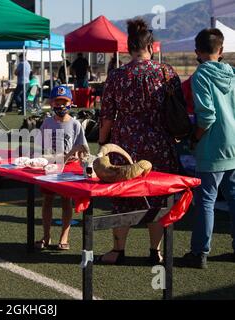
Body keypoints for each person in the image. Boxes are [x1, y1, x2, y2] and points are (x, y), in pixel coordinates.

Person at [98, 19, 184, 265]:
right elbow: (177, 109)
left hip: (125, 144)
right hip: (160, 143)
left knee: (123, 196)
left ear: (128, 48)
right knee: (159, 197)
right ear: (151, 48)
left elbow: (107, 117)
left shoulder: (116, 76)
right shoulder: (166, 72)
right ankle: (155, 252)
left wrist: (103, 142)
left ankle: (117, 250)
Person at [183, 28, 235, 269]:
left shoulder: (201, 76)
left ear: (197, 51)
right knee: (233, 197)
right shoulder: (232, 74)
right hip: (233, 144)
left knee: (206, 200)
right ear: (221, 50)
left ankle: (199, 252)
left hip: (212, 146)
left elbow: (206, 116)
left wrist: (194, 137)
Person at [35, 85, 89, 250]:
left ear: (71, 103)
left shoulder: (75, 125)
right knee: (47, 200)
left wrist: (77, 155)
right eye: (57, 102)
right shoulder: (47, 122)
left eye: (64, 101)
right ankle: (46, 236)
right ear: (51, 103)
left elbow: (84, 149)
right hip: (51, 166)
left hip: (69, 168)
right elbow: (39, 147)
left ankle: (64, 237)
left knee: (66, 201)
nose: (61, 105)